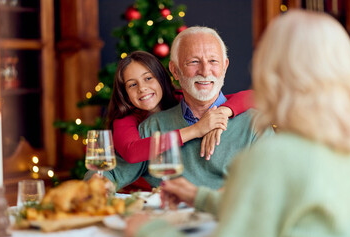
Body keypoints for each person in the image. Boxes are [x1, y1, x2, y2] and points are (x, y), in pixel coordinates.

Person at [125, 9, 350, 237]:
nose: (205, 70)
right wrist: (200, 198)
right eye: (194, 62)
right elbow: (268, 204)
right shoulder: (344, 150)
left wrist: (149, 231)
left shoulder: (273, 155)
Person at [104, 26, 273, 190]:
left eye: (213, 61)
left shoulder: (254, 124)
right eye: (193, 62)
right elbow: (107, 176)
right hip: (171, 218)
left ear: (224, 67)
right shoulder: (152, 127)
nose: (205, 71)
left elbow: (275, 187)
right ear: (175, 71)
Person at [84, 50, 254, 189]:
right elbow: (131, 153)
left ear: (161, 78)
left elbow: (253, 96)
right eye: (132, 84)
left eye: (148, 78)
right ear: (125, 93)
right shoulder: (127, 120)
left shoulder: (183, 98)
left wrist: (224, 111)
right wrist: (196, 130)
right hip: (149, 191)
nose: (142, 88)